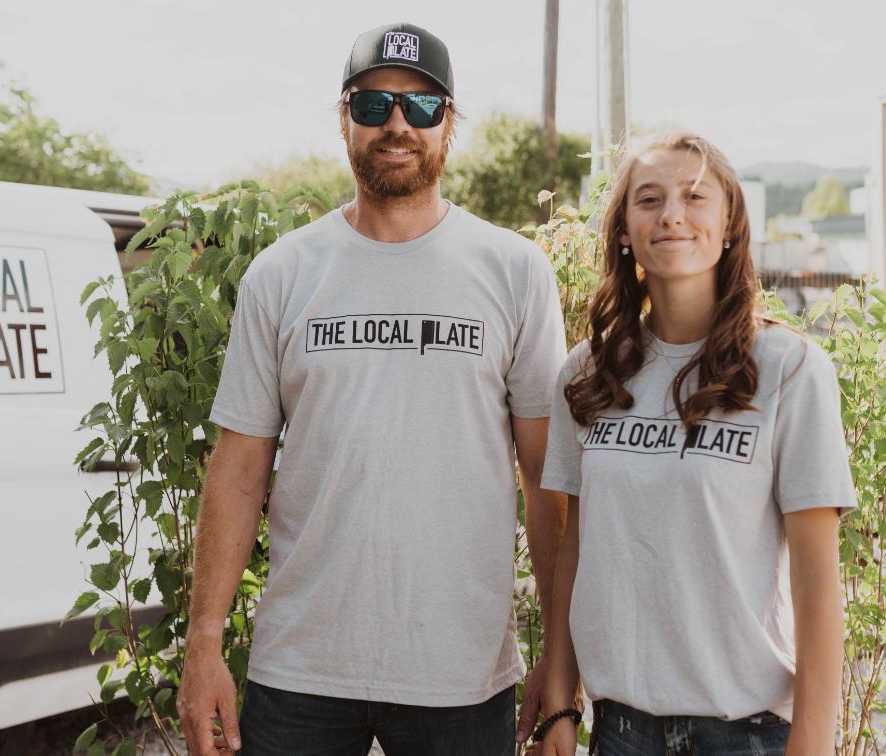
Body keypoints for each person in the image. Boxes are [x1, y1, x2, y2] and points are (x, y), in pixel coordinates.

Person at [175, 21, 569, 756]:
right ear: (344, 116)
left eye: (421, 108)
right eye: (374, 104)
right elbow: (236, 470)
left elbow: (547, 474)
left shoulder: (514, 272)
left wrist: (560, 655)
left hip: (461, 675)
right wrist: (203, 645)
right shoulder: (283, 275)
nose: (397, 125)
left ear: (450, 123)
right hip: (301, 670)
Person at [537, 130, 851, 756]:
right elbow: (577, 547)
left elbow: (818, 578)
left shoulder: (789, 369)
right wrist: (558, 703)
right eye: (648, 199)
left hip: (748, 733)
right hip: (620, 730)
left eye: (696, 196)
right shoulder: (587, 374)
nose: (672, 214)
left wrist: (813, 746)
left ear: (730, 221)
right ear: (623, 230)